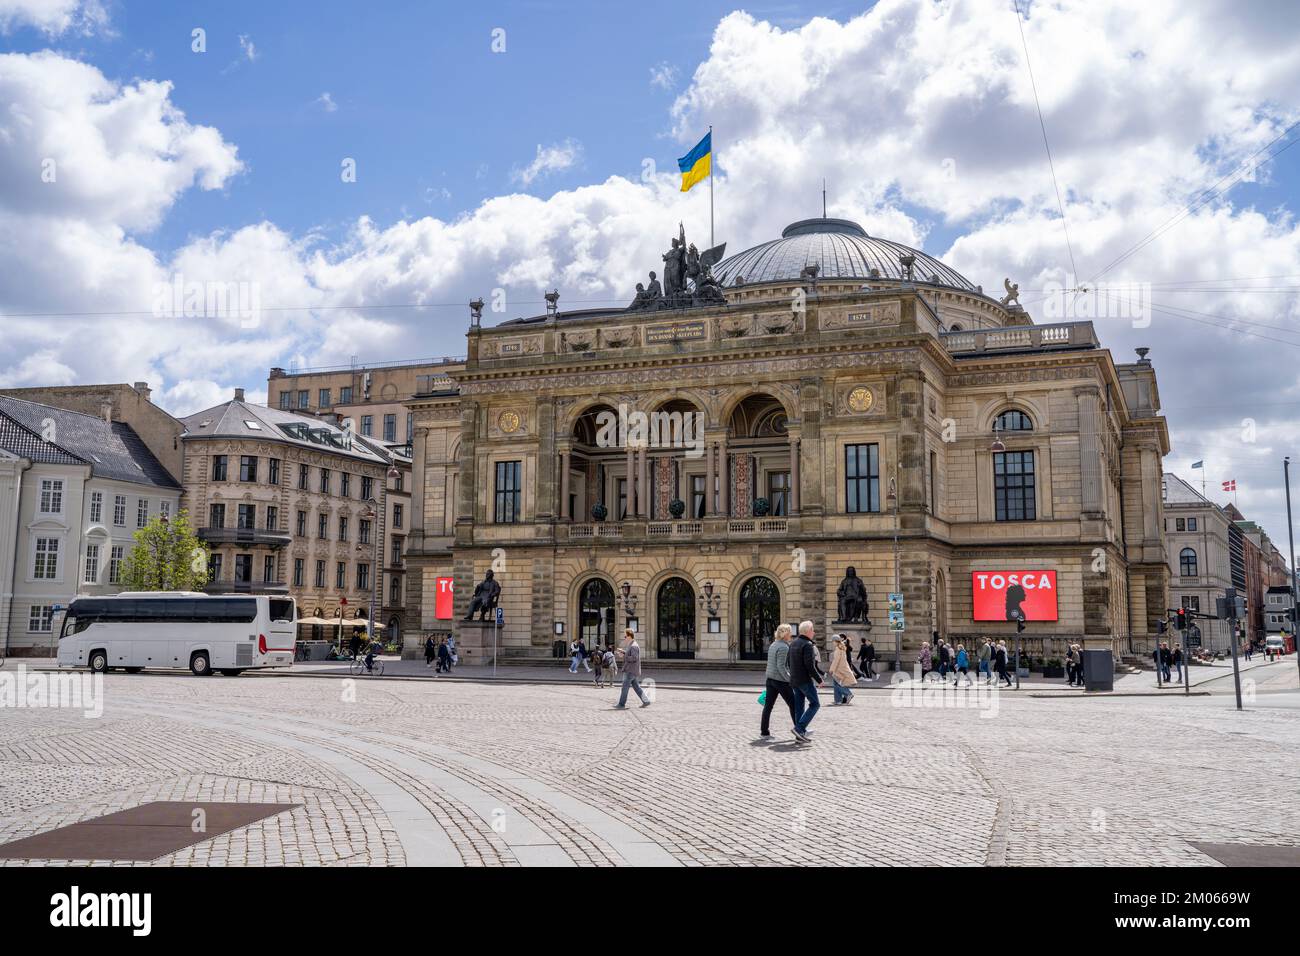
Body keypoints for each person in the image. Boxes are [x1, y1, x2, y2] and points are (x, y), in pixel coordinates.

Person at [760, 624, 798, 738]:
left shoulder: (773, 644)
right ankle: (799, 729)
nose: (791, 635)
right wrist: (790, 680)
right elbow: (781, 667)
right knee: (794, 705)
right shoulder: (783, 647)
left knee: (768, 706)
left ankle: (764, 731)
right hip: (780, 681)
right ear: (786, 634)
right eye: (790, 633)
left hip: (770, 679)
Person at [788, 621, 823, 743]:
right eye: (813, 630)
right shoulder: (807, 645)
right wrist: (819, 679)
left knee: (799, 707)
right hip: (804, 680)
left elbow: (788, 663)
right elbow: (810, 665)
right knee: (815, 704)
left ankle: (800, 734)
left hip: (794, 680)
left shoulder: (793, 643)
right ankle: (799, 728)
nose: (814, 632)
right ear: (808, 631)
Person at [614, 629, 650, 708]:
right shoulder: (632, 644)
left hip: (630, 670)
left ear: (629, 636)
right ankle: (646, 701)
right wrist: (623, 652)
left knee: (624, 687)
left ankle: (621, 704)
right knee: (636, 687)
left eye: (625, 636)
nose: (624, 638)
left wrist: (623, 656)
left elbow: (634, 658)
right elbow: (629, 654)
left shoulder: (633, 646)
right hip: (632, 670)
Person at [829, 634, 857, 705]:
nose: (832, 643)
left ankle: (848, 694)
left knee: (837, 684)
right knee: (836, 683)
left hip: (839, 669)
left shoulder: (838, 649)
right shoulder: (841, 647)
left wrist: (832, 669)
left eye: (833, 641)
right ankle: (838, 700)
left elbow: (836, 660)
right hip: (841, 668)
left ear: (836, 641)